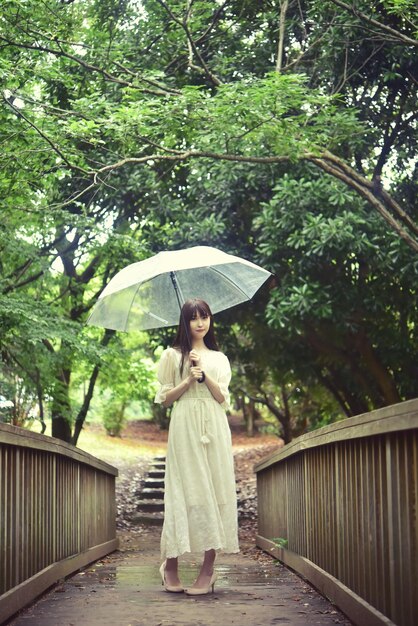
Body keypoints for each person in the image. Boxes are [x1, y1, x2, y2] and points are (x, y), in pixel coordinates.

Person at [154, 298, 239, 595]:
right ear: (185, 322)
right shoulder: (171, 355)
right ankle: (171, 566)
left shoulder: (219, 358)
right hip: (184, 427)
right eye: (194, 318)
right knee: (181, 491)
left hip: (214, 428)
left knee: (215, 490)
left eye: (205, 317)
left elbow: (222, 398)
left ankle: (207, 570)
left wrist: (205, 375)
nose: (201, 323)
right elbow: (164, 399)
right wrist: (188, 381)